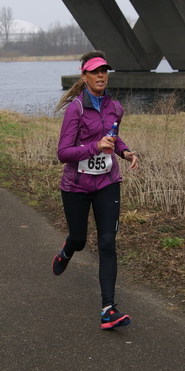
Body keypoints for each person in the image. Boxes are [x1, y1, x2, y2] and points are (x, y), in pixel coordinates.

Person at [51, 50, 139, 330]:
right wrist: (94, 147)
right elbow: (63, 153)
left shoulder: (115, 106)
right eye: (95, 71)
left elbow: (113, 136)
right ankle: (67, 250)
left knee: (107, 243)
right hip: (76, 186)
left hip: (107, 182)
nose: (101, 76)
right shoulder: (76, 108)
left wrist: (124, 152)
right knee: (79, 239)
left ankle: (108, 310)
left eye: (105, 71)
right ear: (84, 75)